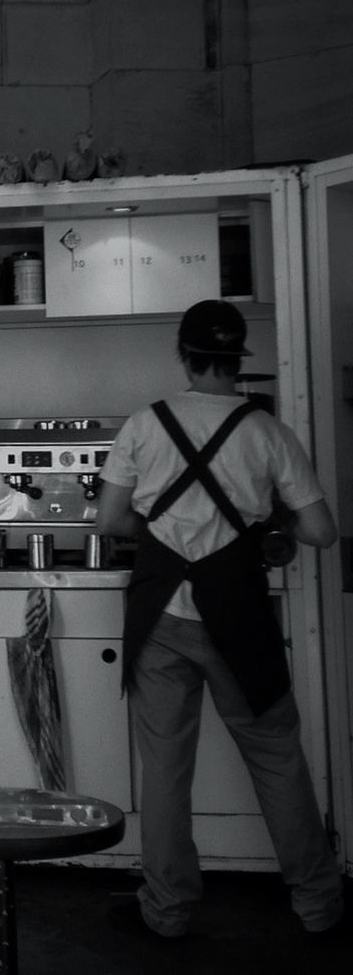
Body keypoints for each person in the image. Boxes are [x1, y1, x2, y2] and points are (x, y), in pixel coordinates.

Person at [96, 299, 344, 941]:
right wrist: (266, 527)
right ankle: (318, 904)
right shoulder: (267, 432)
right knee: (278, 760)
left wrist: (170, 533)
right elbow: (321, 531)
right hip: (237, 618)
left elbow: (112, 523)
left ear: (184, 355)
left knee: (165, 772)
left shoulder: (144, 426)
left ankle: (167, 911)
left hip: (160, 619)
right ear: (237, 361)